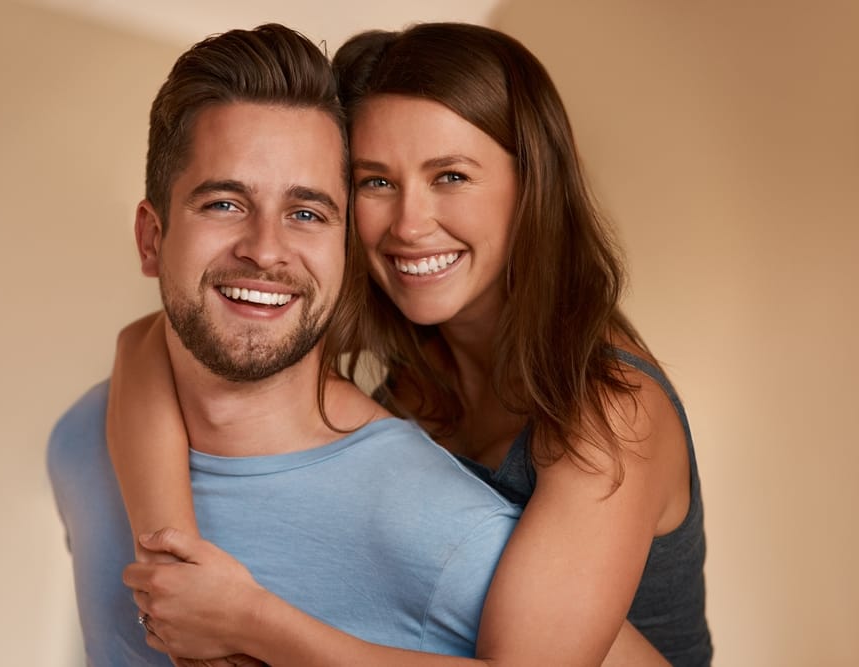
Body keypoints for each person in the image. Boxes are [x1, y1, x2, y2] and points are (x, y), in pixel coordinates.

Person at [108, 21, 712, 667]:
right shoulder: (417, 355)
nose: (410, 225)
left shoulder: (611, 409)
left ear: (534, 187)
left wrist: (248, 623)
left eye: (450, 176)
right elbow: (152, 340)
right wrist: (171, 567)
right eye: (375, 181)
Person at [48, 23, 533, 667]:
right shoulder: (81, 438)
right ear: (151, 238)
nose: (266, 249)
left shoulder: (444, 529)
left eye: (307, 213)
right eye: (223, 203)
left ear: (344, 252)